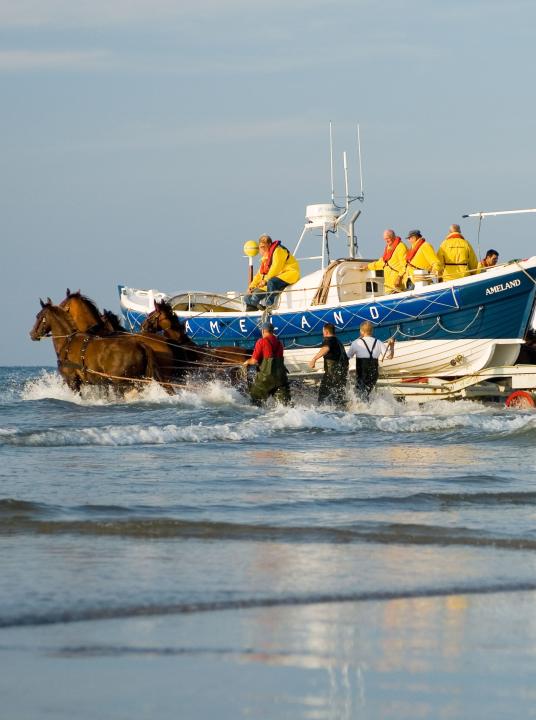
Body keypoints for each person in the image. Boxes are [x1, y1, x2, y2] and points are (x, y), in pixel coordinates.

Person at [244, 234, 301, 311]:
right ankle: (252, 311)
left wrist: (265, 281)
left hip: (289, 273)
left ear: (269, 245)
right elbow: (259, 275)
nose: (262, 249)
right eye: (261, 247)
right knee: (248, 297)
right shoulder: (265, 259)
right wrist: (251, 286)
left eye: (264, 247)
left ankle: (269, 306)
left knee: (271, 282)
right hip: (273, 278)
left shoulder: (278, 250)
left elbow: (276, 267)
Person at [243, 322, 291, 405]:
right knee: (285, 405)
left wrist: (247, 362)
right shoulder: (280, 343)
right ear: (272, 331)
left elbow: (254, 361)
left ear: (263, 331)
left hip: (265, 379)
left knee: (255, 402)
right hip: (281, 378)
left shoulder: (261, 341)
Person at [347, 320, 393, 401]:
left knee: (360, 394)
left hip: (362, 372)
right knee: (368, 393)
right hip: (374, 372)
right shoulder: (378, 342)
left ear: (361, 331)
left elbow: (347, 357)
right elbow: (390, 356)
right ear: (372, 331)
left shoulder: (356, 342)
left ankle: (361, 410)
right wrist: (392, 345)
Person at [308, 323, 349, 407]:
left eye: (323, 332)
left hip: (332, 374)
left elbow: (326, 348)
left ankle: (321, 413)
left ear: (326, 332)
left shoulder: (328, 340)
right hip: (342, 374)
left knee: (323, 394)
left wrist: (314, 359)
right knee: (339, 395)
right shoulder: (338, 342)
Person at [361, 229, 407, 294]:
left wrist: (399, 277)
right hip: (389, 286)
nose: (386, 241)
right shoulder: (388, 247)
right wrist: (367, 266)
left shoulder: (401, 247)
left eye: (388, 238)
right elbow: (382, 263)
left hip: (398, 286)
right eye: (385, 239)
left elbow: (405, 265)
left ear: (393, 237)